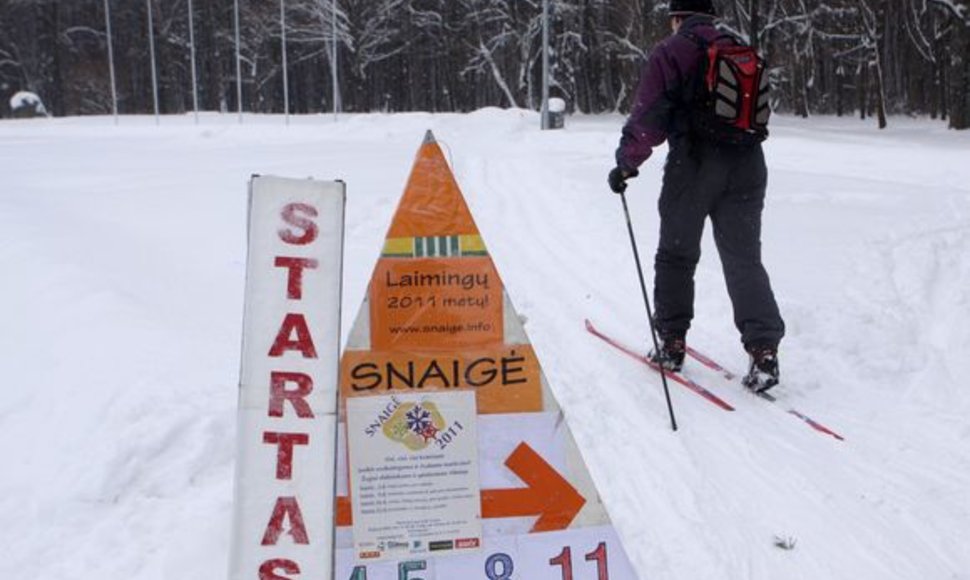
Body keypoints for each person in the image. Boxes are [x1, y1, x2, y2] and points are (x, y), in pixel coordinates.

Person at [607, 0, 785, 392]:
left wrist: (626, 162)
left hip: (695, 164)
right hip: (749, 165)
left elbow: (648, 116)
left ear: (677, 17)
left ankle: (671, 342)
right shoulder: (739, 45)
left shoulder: (671, 51)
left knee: (676, 253)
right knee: (743, 260)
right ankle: (764, 351)